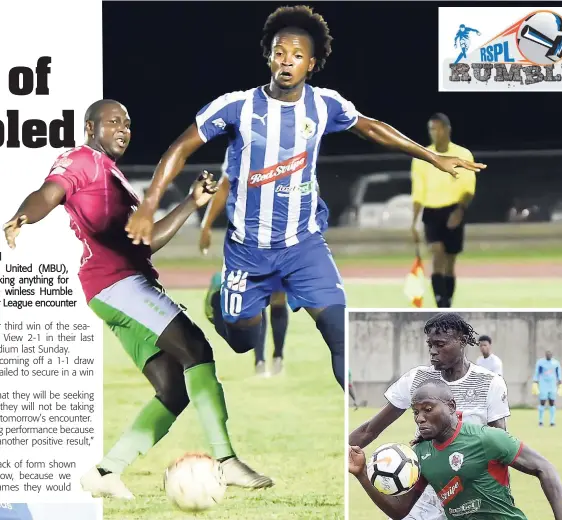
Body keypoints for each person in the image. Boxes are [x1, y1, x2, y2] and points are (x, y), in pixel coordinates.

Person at [124, 5, 486, 390]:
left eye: (297, 56)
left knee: (339, 332)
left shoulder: (324, 104)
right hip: (248, 250)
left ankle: (357, 430)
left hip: (304, 247)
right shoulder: (237, 106)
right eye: (280, 53)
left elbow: (373, 128)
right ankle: (220, 301)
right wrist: (148, 204)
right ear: (268, 56)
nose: (287, 62)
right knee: (243, 341)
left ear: (311, 64)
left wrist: (432, 156)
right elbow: (181, 147)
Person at [3, 100, 272, 499]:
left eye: (127, 123)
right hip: (117, 284)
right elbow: (49, 193)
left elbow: (148, 241)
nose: (123, 129)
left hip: (119, 288)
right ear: (91, 129)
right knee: (195, 347)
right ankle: (226, 460)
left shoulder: (117, 180)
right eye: (113, 122)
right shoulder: (82, 159)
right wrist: (24, 216)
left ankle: (105, 471)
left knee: (173, 390)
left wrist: (190, 203)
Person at [349, 313, 509, 520]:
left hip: (468, 497)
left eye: (440, 344)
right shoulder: (417, 379)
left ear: (462, 341)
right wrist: (339, 451)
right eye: (430, 345)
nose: (433, 352)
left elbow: (500, 448)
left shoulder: (489, 383)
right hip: (422, 494)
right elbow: (370, 429)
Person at [349, 380, 562, 520]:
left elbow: (545, 468)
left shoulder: (486, 438)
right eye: (415, 412)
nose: (420, 418)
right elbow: (399, 511)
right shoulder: (420, 454)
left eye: (427, 409)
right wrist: (361, 474)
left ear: (452, 407)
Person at [200, 147, 289, 376]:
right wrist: (206, 224)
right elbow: (225, 186)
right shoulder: (240, 147)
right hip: (248, 238)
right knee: (256, 300)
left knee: (278, 298)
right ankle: (259, 361)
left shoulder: (291, 143)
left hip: (282, 236)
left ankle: (278, 355)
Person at [410, 113, 477, 308]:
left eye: (438, 128)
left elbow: (468, 188)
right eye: (431, 129)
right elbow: (418, 192)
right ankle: (441, 301)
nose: (435, 133)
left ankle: (447, 301)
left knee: (449, 261)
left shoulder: (463, 155)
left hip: (453, 210)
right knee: (437, 253)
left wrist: (460, 210)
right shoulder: (422, 157)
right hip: (431, 212)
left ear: (448, 130)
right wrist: (413, 222)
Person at [533, 350, 562, 427]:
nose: (549, 356)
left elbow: (558, 372)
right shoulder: (540, 363)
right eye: (547, 354)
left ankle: (552, 421)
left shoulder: (555, 363)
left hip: (552, 384)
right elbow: (537, 372)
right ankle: (540, 421)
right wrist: (535, 381)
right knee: (542, 401)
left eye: (550, 354)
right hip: (543, 384)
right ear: (545, 355)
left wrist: (560, 381)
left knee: (552, 402)